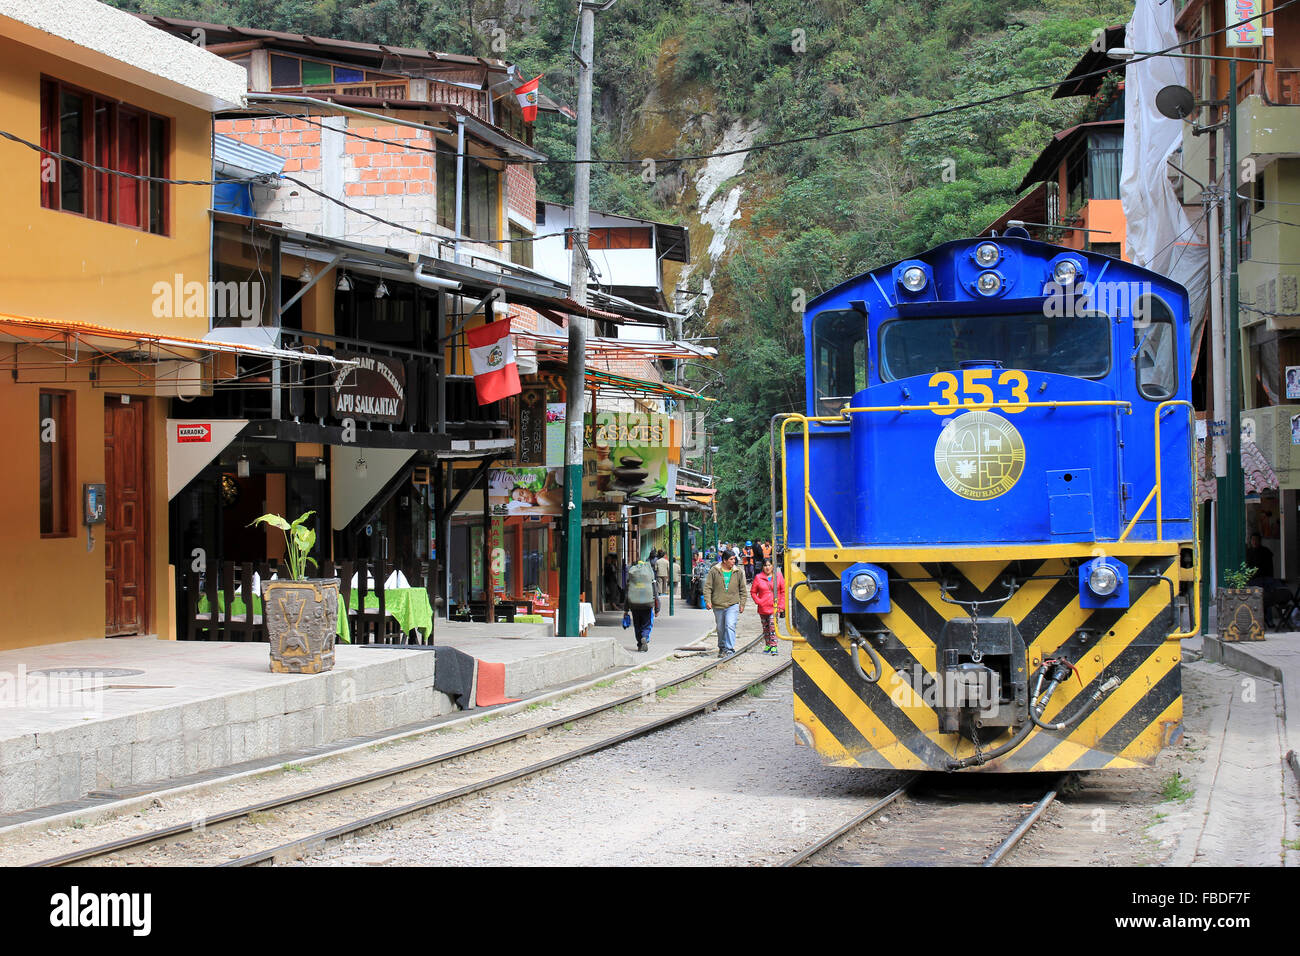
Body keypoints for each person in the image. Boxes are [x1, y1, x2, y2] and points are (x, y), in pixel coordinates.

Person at [706, 549, 747, 657]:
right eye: (731, 559)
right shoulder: (714, 571)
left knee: (730, 625)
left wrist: (742, 604)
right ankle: (722, 647)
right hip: (718, 604)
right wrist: (708, 601)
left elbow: (743, 589)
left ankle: (729, 648)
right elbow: (708, 587)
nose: (734, 561)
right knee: (720, 627)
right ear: (724, 560)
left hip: (733, 604)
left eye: (734, 559)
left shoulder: (738, 572)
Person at [750, 557, 786, 655]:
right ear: (762, 567)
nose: (767, 567)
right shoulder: (758, 577)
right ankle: (768, 644)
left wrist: (782, 605)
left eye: (769, 565)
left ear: (773, 566)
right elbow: (753, 592)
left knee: (773, 626)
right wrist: (759, 601)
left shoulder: (778, 576)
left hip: (775, 607)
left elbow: (783, 592)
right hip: (763, 607)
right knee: (766, 628)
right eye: (765, 565)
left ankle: (774, 646)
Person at [624, 557, 659, 652]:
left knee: (637, 624)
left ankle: (639, 643)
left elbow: (627, 595)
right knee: (647, 624)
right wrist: (657, 609)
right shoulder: (649, 577)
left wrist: (626, 610)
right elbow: (655, 593)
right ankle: (645, 636)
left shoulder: (632, 579)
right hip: (647, 605)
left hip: (634, 605)